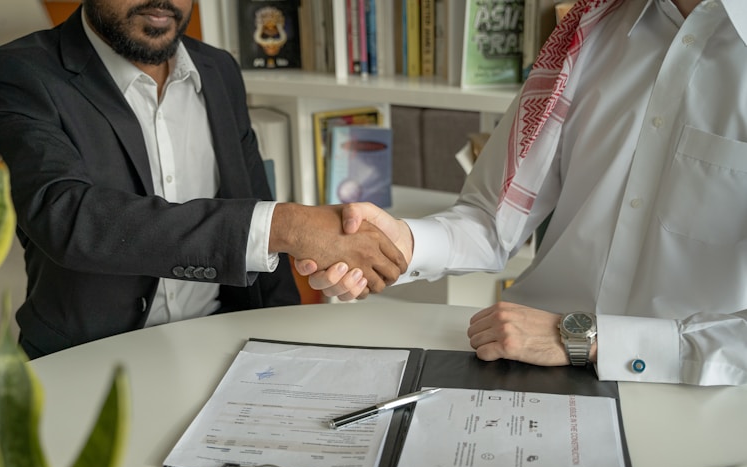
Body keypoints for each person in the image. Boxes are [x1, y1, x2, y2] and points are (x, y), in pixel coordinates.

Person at [299, 0, 747, 386]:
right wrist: (400, 244)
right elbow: (491, 220)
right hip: (527, 369)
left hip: (693, 397)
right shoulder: (588, 31)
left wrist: (586, 340)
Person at [0, 0, 406, 359]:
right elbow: (66, 216)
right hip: (84, 363)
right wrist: (286, 226)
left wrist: (290, 348)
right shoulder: (11, 74)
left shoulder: (220, 71)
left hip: (226, 348)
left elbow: (255, 201)